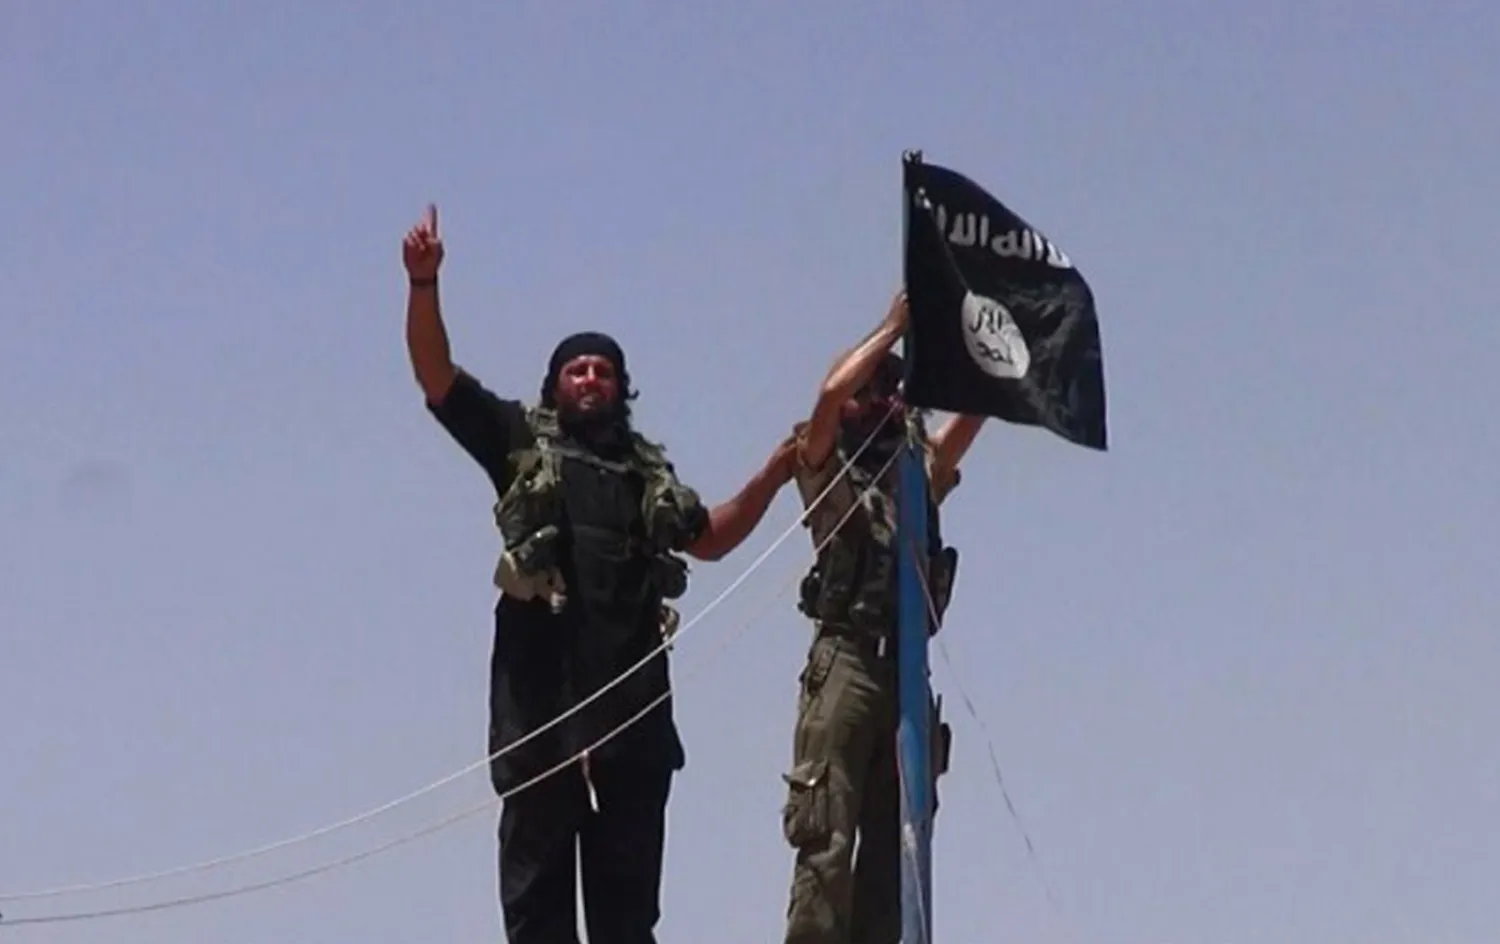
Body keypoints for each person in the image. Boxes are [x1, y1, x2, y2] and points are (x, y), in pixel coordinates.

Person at [401, 204, 795, 944]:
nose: (591, 379)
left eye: (604, 370)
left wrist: (775, 474)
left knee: (627, 925)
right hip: (539, 729)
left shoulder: (649, 480)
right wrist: (424, 285)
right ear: (554, 386)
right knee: (538, 920)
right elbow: (436, 376)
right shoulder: (520, 443)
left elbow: (709, 537)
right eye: (577, 369)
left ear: (622, 387)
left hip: (633, 737)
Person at [779, 289, 986, 944]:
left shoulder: (913, 473)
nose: (882, 400)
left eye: (893, 389)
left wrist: (985, 353)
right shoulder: (825, 464)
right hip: (845, 663)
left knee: (896, 851)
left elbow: (966, 428)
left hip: (905, 665)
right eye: (873, 389)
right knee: (826, 842)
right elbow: (827, 399)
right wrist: (892, 329)